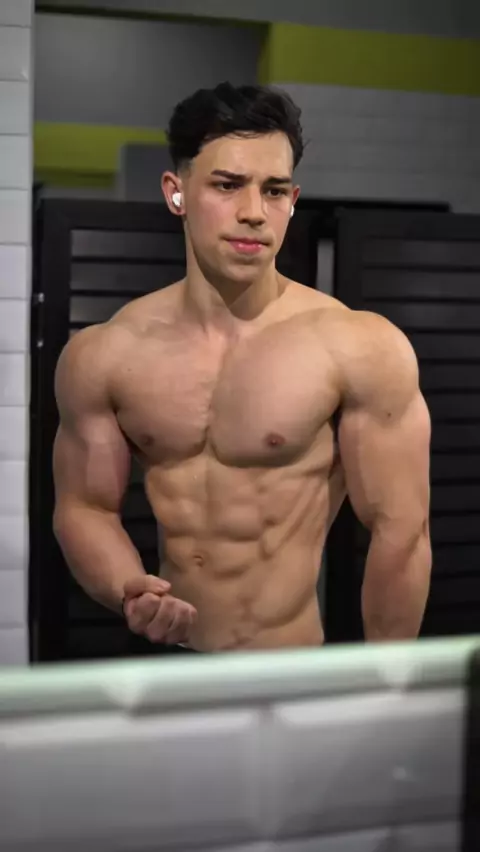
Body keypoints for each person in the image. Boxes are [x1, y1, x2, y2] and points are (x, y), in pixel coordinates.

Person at [53, 82, 432, 653]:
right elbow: (85, 507)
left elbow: (401, 530)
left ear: (293, 199)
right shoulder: (107, 353)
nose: (254, 213)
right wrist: (127, 589)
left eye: (274, 190)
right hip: (170, 665)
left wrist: (385, 685)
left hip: (286, 665)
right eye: (227, 185)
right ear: (176, 193)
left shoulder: (356, 346)